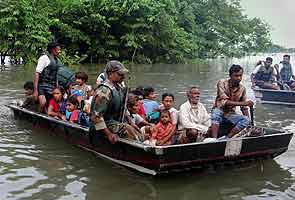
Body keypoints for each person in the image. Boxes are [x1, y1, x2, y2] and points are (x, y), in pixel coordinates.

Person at [90, 60, 142, 143]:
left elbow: (123, 108)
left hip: (114, 123)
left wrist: (132, 123)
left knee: (137, 131)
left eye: (123, 74)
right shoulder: (104, 91)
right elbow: (96, 117)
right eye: (119, 74)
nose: (123, 77)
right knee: (126, 129)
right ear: (110, 74)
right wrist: (109, 134)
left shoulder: (118, 88)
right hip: (101, 126)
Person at [211, 64, 253, 139]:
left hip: (230, 114)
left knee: (246, 120)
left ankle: (227, 138)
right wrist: (244, 103)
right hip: (219, 111)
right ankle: (214, 139)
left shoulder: (242, 89)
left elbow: (244, 108)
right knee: (216, 112)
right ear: (230, 76)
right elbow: (224, 101)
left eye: (240, 75)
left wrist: (249, 123)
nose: (239, 78)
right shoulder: (222, 83)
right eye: (236, 76)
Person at [33, 42, 63, 112]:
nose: (59, 51)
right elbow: (37, 73)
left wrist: (57, 87)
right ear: (53, 50)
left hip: (52, 86)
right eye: (58, 50)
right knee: (43, 103)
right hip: (42, 85)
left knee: (57, 105)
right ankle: (38, 116)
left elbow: (57, 76)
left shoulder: (58, 61)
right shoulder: (44, 58)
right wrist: (35, 91)